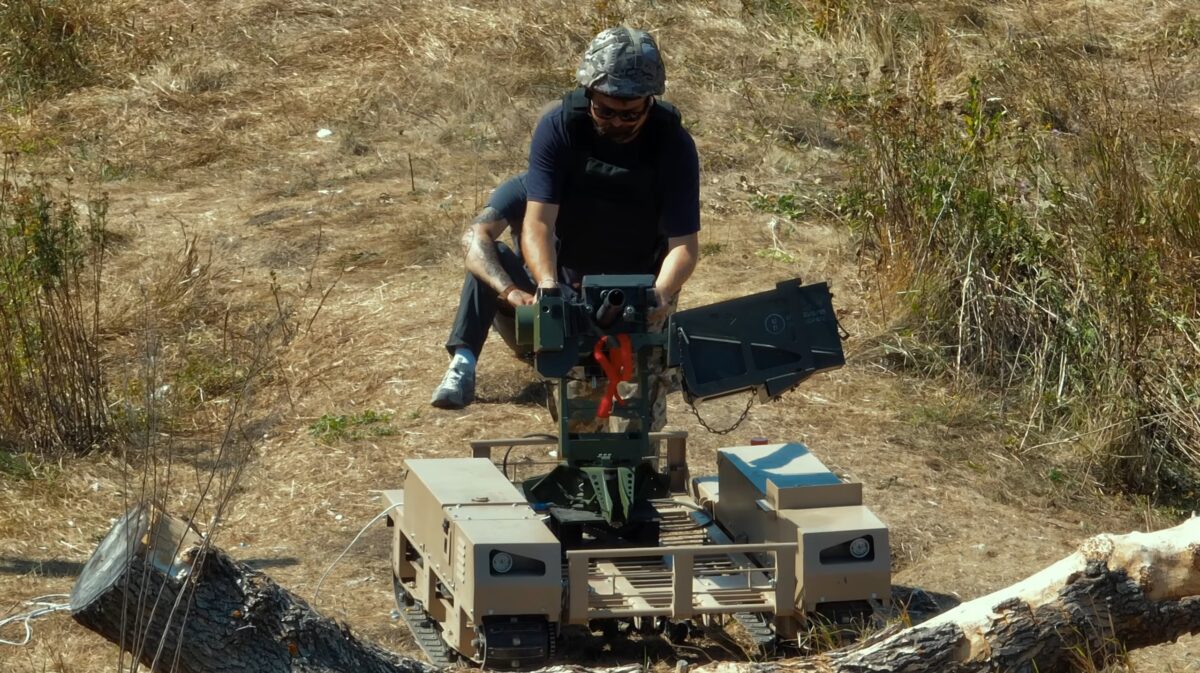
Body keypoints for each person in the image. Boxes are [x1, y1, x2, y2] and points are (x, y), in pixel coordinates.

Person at [432, 26, 701, 424]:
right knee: (578, 418)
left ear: (650, 102)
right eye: (605, 110)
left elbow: (685, 246)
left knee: (641, 420)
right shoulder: (559, 128)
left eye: (631, 114)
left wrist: (660, 294)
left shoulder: (673, 144)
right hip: (569, 284)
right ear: (588, 94)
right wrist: (546, 286)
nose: (618, 122)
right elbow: (538, 224)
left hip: (643, 287)